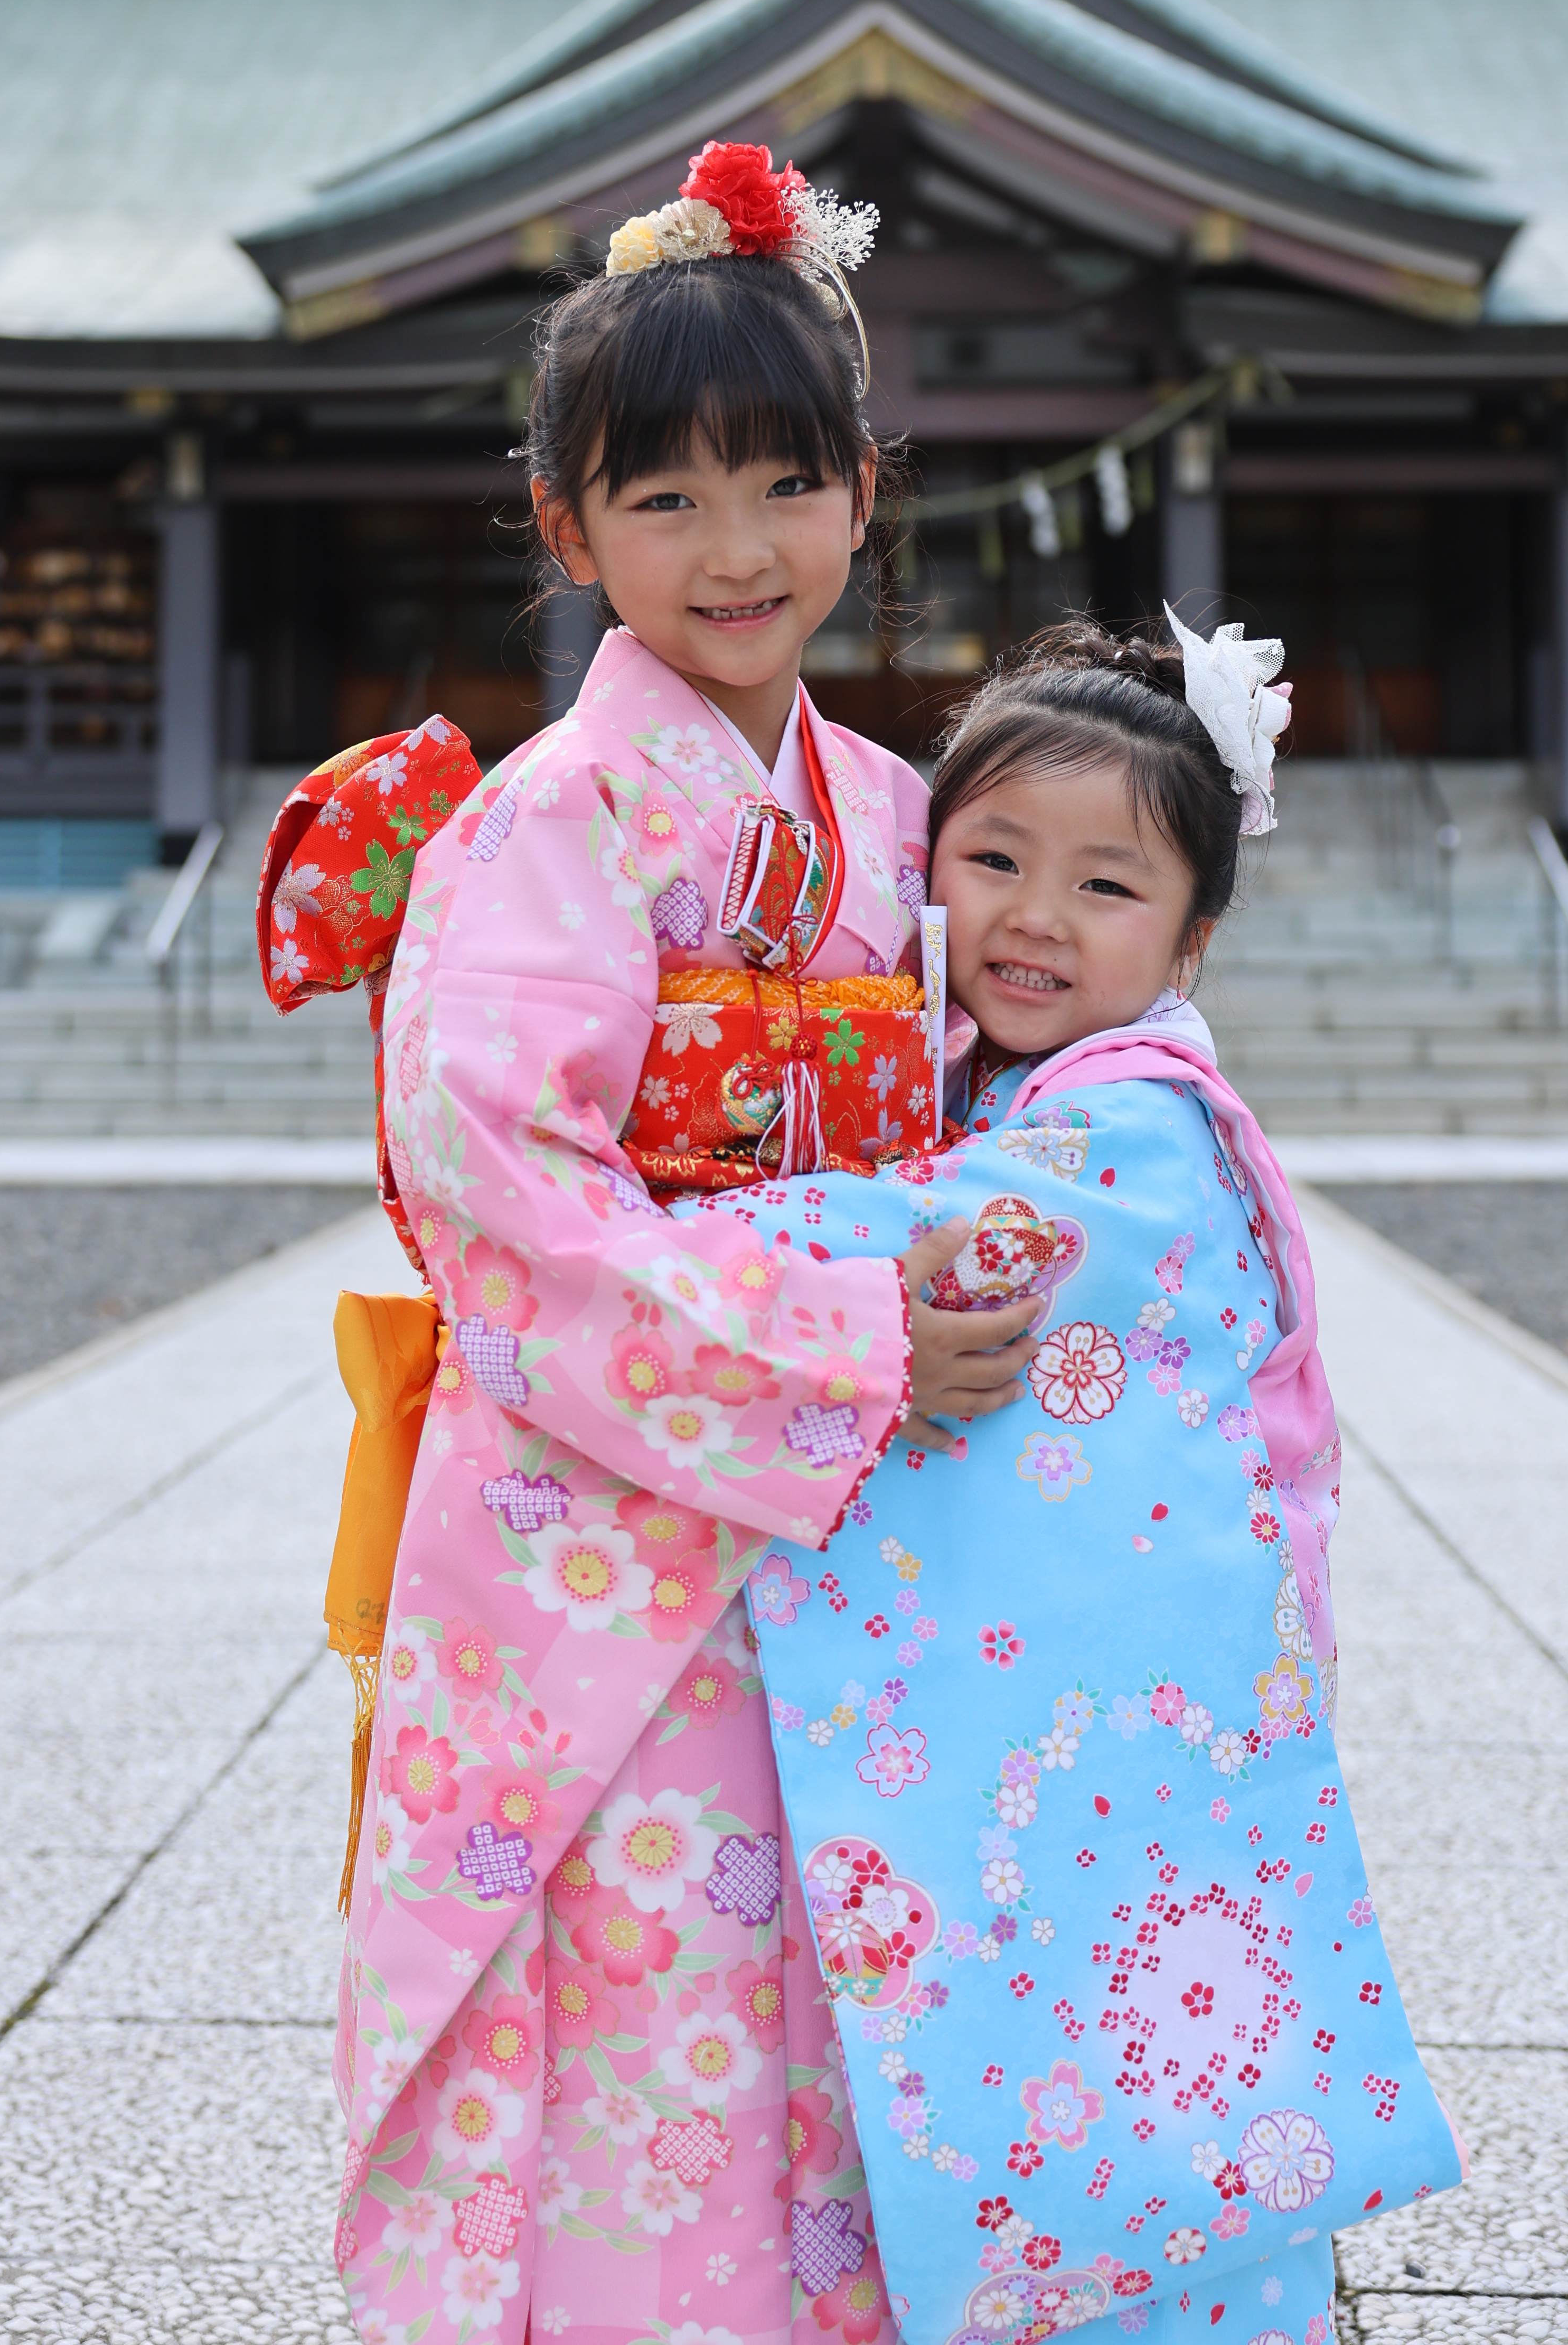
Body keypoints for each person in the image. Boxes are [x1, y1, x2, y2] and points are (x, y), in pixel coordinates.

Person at [327, 143, 1026, 2345]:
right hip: (600, 1537)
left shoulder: (902, 819)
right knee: (645, 2029)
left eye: (785, 486)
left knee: (843, 1995)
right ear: (568, 526)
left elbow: (1004, 1105)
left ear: (863, 490)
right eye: (664, 502)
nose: (738, 555)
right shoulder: (552, 823)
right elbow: (509, 1203)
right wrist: (843, 1327)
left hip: (853, 1510)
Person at [704, 618, 1464, 2345]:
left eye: (1107, 887)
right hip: (1100, 1721)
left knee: (1141, 2086)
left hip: (1145, 1732)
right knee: (1072, 2065)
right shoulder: (996, 1087)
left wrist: (663, 1245)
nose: (1035, 917)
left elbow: (947, 1243)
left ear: (1192, 937)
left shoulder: (1132, 1124)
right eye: (993, 860)